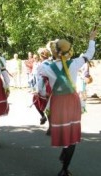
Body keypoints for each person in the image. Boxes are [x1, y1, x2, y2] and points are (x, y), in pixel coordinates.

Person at [38, 29, 97, 176]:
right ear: (68, 51)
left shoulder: (45, 67)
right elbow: (89, 54)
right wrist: (91, 38)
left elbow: (40, 84)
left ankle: (64, 153)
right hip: (72, 102)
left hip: (57, 102)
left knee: (63, 130)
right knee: (72, 136)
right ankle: (64, 169)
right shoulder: (75, 63)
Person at [32, 48, 52, 135]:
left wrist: (37, 90)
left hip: (45, 88)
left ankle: (43, 117)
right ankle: (51, 126)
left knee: (35, 101)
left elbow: (41, 79)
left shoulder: (41, 65)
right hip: (53, 87)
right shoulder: (52, 63)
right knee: (50, 106)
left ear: (41, 56)